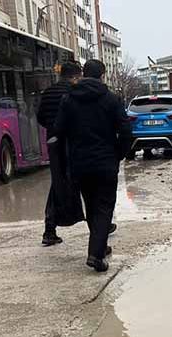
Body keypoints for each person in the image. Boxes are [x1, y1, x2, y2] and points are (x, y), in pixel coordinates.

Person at [54, 59, 131, 273]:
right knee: (104, 207)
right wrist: (118, 154)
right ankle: (96, 254)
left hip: (80, 163)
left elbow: (58, 130)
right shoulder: (111, 99)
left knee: (91, 205)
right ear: (102, 75)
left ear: (83, 74)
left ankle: (100, 246)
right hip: (106, 162)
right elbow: (126, 130)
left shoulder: (69, 99)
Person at [37, 61, 85, 247]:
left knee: (57, 183)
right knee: (85, 183)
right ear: (75, 77)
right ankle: (99, 225)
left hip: (54, 143)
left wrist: (52, 128)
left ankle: (49, 229)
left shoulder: (48, 92)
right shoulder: (75, 92)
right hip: (73, 142)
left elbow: (40, 116)